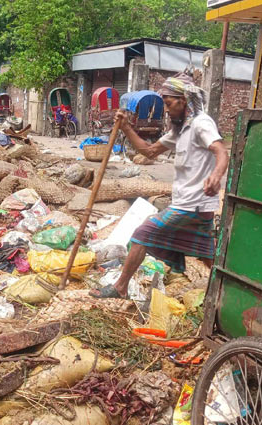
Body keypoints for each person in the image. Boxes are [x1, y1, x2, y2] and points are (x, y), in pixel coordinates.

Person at [91, 73, 229, 299]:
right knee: (207, 254)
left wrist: (216, 175)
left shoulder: (201, 123)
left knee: (142, 233)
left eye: (168, 103)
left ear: (183, 100)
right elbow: (150, 151)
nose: (166, 109)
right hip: (193, 205)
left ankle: (120, 287)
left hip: (192, 204)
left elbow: (221, 151)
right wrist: (126, 128)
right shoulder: (180, 129)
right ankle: (228, 289)